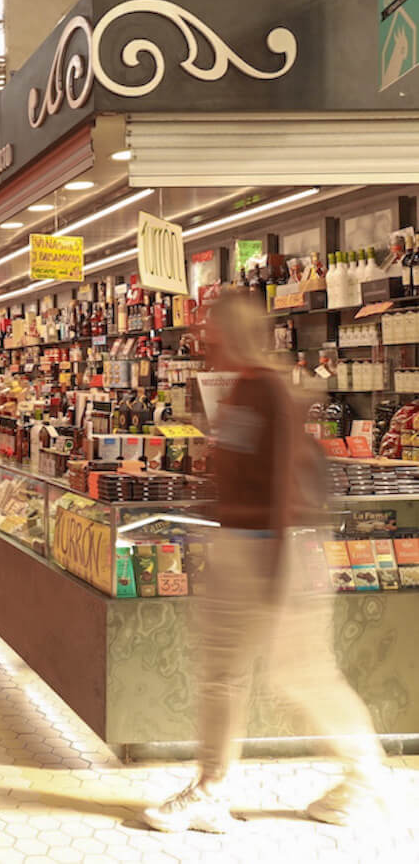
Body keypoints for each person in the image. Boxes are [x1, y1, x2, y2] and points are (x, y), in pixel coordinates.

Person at [141, 290, 386, 834]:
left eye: (211, 330)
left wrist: (276, 567)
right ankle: (212, 786)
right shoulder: (242, 387)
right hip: (244, 545)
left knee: (299, 674)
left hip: (271, 549)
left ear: (233, 333)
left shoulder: (266, 387)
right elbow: (239, 469)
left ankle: (363, 778)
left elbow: (278, 477)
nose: (201, 339)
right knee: (225, 672)